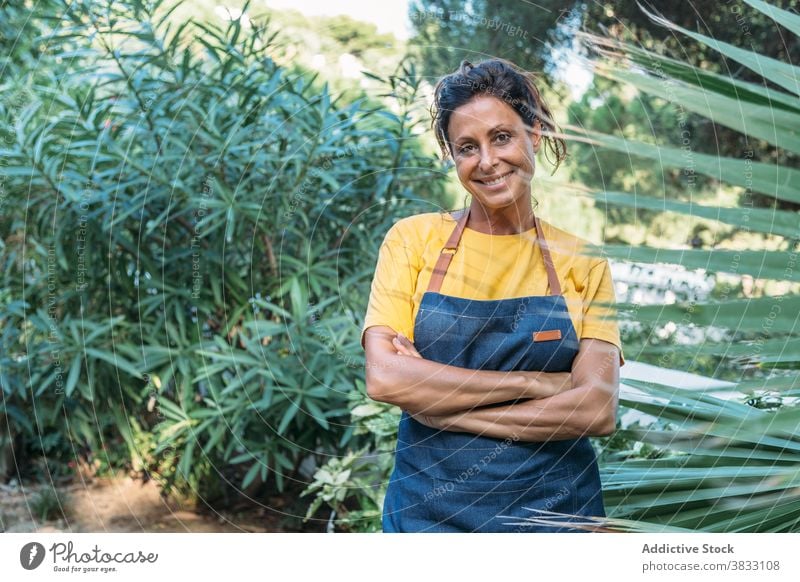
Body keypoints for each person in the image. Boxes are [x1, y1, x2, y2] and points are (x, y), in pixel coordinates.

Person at [361, 58, 624, 533]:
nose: (486, 161)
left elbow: (596, 409)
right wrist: (535, 385)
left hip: (557, 520)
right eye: (467, 147)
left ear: (534, 136)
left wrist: (439, 408)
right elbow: (384, 378)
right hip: (428, 518)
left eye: (501, 137)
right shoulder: (412, 240)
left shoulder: (582, 261)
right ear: (453, 156)